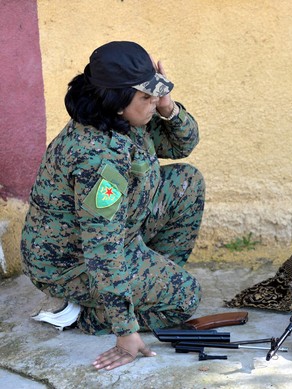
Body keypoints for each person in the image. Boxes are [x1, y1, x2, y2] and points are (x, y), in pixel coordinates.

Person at [20, 41, 205, 370]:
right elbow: (101, 247)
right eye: (145, 98)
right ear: (118, 103)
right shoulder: (97, 156)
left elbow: (182, 145)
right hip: (73, 262)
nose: (151, 105)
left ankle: (147, 284)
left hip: (123, 230)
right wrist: (125, 329)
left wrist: (167, 106)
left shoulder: (128, 119)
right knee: (186, 298)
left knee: (186, 182)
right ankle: (87, 314)